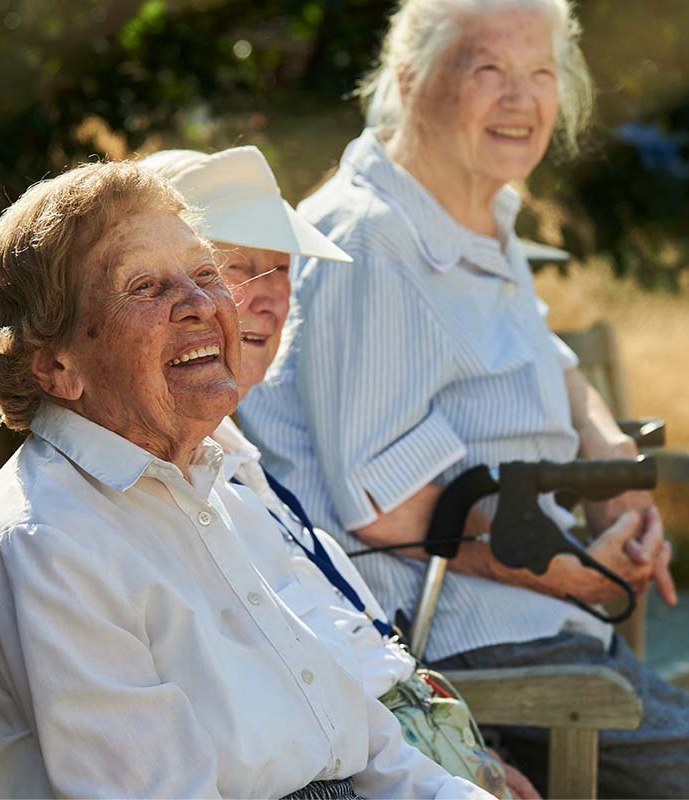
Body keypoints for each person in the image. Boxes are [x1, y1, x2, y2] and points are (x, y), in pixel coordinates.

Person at [237, 0, 689, 797]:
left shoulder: (475, 212)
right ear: (411, 80)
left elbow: (548, 358)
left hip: (537, 619)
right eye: (489, 70)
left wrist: (608, 453)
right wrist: (578, 575)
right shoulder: (368, 240)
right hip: (448, 641)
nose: (521, 99)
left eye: (542, 74)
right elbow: (391, 509)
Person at [0, 160, 491, 799]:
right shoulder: (50, 542)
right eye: (145, 286)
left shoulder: (206, 489)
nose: (203, 304)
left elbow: (362, 744)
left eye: (204, 275)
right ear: (58, 368)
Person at [142, 144, 537, 800]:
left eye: (283, 269)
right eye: (238, 267)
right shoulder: (176, 482)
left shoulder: (234, 458)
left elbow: (340, 658)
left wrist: (463, 758)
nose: (270, 295)